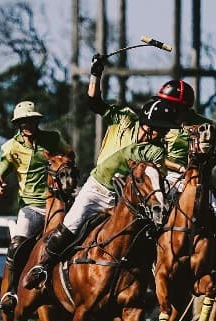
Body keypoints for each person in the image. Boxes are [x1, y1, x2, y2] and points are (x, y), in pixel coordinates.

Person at [22, 55, 180, 289]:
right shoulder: (125, 118)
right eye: (159, 130)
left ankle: (146, 284)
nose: (161, 134)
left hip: (125, 199)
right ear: (146, 123)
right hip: (97, 188)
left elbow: (157, 173)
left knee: (146, 236)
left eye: (164, 131)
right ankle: (42, 268)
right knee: (71, 226)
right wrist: (95, 74)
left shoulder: (156, 150)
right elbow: (95, 103)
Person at [0, 101, 73, 312]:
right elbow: (1, 171)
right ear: (17, 124)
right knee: (17, 243)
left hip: (58, 204)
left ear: (37, 121)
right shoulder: (10, 147)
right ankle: (10, 291)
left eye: (30, 120)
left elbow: (69, 153)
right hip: (32, 207)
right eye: (22, 121)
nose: (26, 124)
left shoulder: (52, 139)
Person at [153, 79, 216, 246]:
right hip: (170, 177)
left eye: (170, 104)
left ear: (182, 106)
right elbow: (155, 153)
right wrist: (179, 167)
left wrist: (206, 164)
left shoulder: (206, 124)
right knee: (154, 212)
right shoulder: (160, 123)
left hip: (198, 178)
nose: (166, 108)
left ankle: (213, 265)